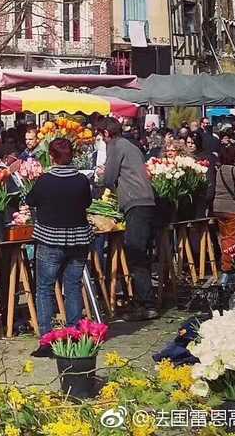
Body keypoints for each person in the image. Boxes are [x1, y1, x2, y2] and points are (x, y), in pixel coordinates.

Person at [25, 138, 93, 355]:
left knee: (44, 289)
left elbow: (30, 200)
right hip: (79, 240)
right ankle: (74, 336)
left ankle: (47, 341)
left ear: (52, 157)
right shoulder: (81, 180)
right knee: (72, 286)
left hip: (50, 240)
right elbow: (87, 203)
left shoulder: (45, 180)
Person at [101, 117, 157, 320]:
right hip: (146, 201)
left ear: (106, 134)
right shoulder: (131, 145)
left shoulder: (116, 146)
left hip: (136, 203)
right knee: (140, 252)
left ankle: (146, 305)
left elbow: (108, 178)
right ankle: (144, 300)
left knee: (136, 253)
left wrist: (104, 185)